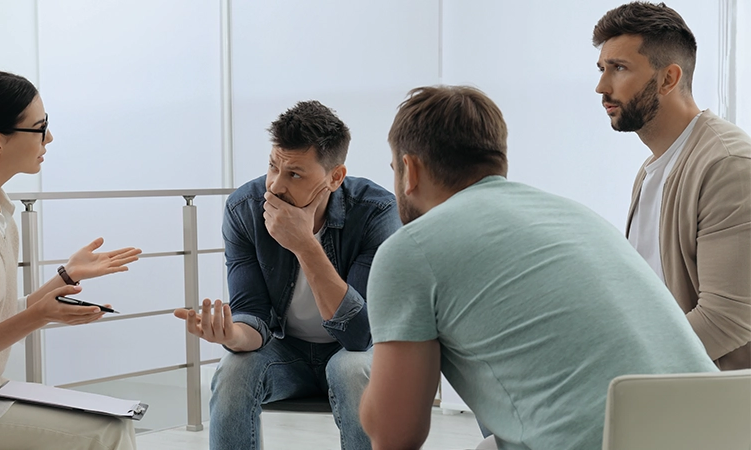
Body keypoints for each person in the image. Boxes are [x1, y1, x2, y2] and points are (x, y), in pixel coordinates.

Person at [359, 85, 718, 450]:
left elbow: (394, 435)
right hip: (723, 429)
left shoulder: (412, 249)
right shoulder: (573, 215)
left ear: (410, 169)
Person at [174, 100, 401, 449]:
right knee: (235, 370)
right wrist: (230, 335)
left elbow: (359, 335)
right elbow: (254, 314)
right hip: (286, 354)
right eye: (273, 167)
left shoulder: (377, 212)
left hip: (355, 352)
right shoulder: (244, 208)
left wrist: (305, 245)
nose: (275, 186)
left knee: (350, 370)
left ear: (335, 177)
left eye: (294, 174)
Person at [0, 70, 140, 450]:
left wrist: (64, 278)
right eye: (40, 127)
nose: (49, 138)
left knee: (116, 422)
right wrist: (40, 315)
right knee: (109, 431)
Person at [593, 1, 751, 370]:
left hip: (706, 401)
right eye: (602, 69)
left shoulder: (728, 166)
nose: (601, 86)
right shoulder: (652, 169)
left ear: (668, 78)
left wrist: (615, 366)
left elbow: (728, 319)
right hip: (665, 385)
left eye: (618, 68)